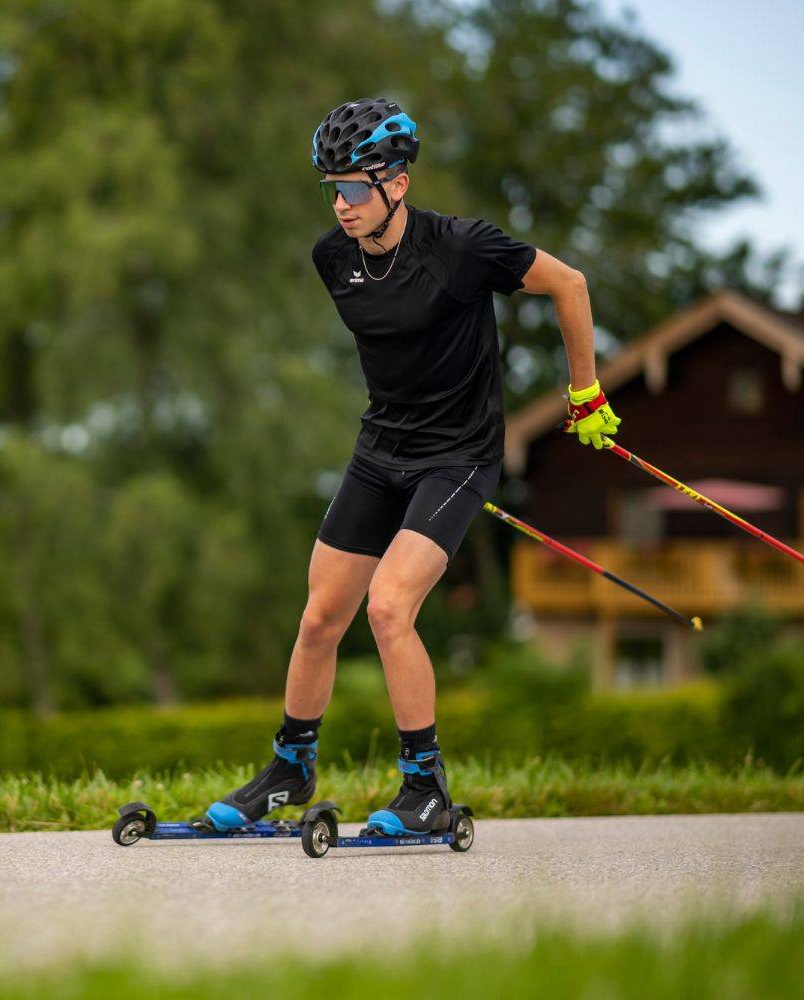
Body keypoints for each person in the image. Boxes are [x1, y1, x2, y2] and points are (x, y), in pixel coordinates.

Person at [206, 97, 621, 836]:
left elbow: (571, 284)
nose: (341, 204)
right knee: (319, 617)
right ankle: (290, 768)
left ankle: (425, 789)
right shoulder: (332, 259)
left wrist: (585, 392)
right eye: (331, 189)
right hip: (381, 451)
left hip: (458, 457)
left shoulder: (462, 248)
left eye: (354, 187)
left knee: (389, 608)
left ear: (398, 183)